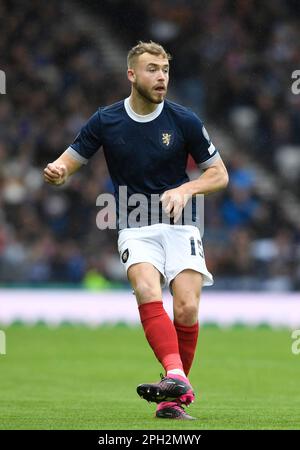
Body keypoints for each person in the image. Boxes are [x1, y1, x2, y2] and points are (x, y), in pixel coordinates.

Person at [44, 41, 229, 420]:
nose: (161, 76)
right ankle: (176, 377)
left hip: (182, 222)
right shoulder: (106, 120)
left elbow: (219, 174)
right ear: (132, 74)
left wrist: (185, 188)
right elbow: (68, 161)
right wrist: (58, 171)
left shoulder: (184, 120)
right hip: (133, 223)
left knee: (187, 308)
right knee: (147, 288)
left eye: (165, 69)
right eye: (152, 69)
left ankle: (171, 399)